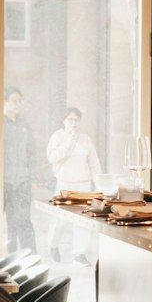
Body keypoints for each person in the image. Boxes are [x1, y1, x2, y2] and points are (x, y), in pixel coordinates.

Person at [46, 106, 103, 263]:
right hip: (64, 183)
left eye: (77, 120)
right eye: (70, 119)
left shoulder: (85, 139)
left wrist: (98, 185)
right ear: (64, 121)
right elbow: (52, 157)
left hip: (83, 184)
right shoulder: (57, 137)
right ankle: (53, 245)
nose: (73, 123)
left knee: (83, 219)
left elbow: (94, 164)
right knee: (60, 220)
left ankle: (79, 253)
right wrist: (69, 142)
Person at [1, 87, 39, 254]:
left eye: (19, 101)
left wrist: (33, 180)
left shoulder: (24, 125)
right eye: (14, 101)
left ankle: (31, 259)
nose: (18, 105)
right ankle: (9, 259)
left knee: (24, 221)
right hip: (4, 182)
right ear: (4, 102)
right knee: (8, 224)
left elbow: (32, 154)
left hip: (23, 182)